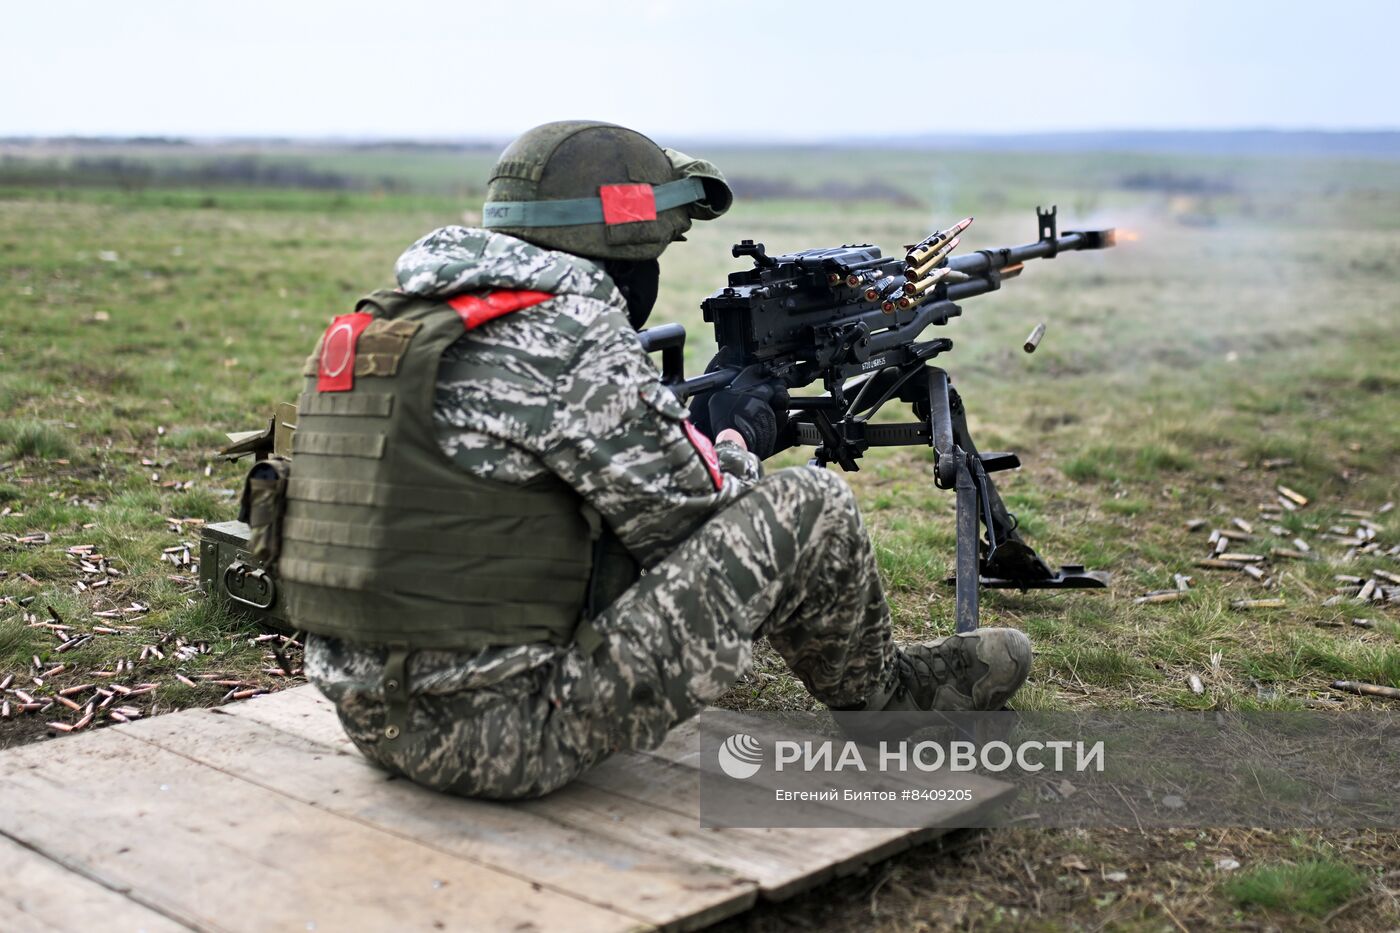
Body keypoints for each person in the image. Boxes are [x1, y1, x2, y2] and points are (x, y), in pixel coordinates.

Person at [279, 121, 1032, 800]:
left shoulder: (387, 324)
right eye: (658, 249)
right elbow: (698, 521)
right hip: (501, 740)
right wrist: (735, 444)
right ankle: (896, 703)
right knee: (811, 508)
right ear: (621, 250)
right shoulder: (567, 337)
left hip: (376, 718)